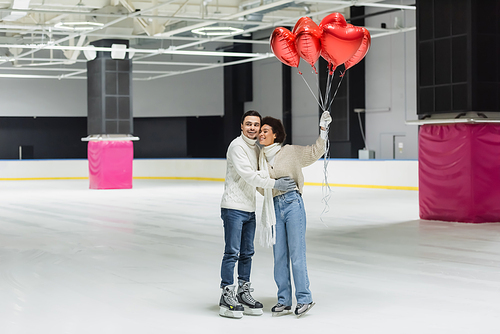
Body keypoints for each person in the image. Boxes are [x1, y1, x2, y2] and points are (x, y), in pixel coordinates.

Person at [219, 110, 297, 319]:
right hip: (234, 207)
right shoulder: (237, 146)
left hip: (250, 208)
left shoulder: (257, 149)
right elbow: (250, 176)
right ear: (241, 126)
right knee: (232, 252)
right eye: (249, 124)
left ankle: (243, 291)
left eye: (256, 124)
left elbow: (260, 172)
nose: (253, 128)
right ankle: (227, 293)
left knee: (247, 253)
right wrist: (274, 182)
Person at [257, 111, 332, 318]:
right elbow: (258, 185)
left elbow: (315, 151)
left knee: (297, 254)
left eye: (265, 131)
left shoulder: (289, 151)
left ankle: (304, 298)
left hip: (292, 204)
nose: (261, 134)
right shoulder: (260, 159)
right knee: (279, 256)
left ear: (276, 135)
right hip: (273, 206)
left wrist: (323, 129)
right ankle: (284, 300)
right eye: (260, 131)